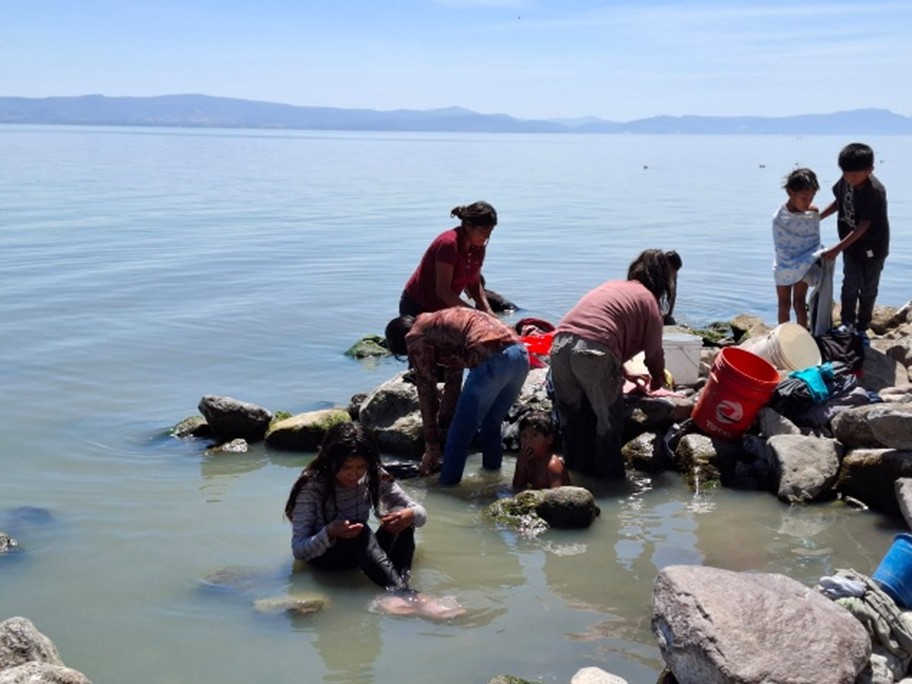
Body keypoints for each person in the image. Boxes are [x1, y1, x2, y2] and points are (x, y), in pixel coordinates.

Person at [549, 249, 679, 479]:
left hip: (560, 345)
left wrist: (623, 369)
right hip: (593, 353)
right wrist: (658, 381)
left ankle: (573, 477)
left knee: (573, 419)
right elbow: (654, 355)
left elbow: (594, 327)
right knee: (608, 422)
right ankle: (610, 488)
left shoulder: (612, 286)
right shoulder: (650, 303)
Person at [384, 307, 529, 485]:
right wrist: (443, 423)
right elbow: (453, 382)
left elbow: (426, 390)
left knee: (458, 437)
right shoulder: (441, 325)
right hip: (520, 355)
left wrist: (431, 446)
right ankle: (492, 480)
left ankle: (445, 492)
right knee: (491, 426)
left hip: (491, 360)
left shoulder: (415, 336)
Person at [284, 421, 426, 591]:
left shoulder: (373, 473)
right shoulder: (312, 485)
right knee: (359, 532)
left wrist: (410, 514)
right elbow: (299, 551)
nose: (354, 475)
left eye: (361, 467)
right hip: (328, 559)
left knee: (402, 515)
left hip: (364, 552)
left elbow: (420, 513)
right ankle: (403, 593)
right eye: (346, 467)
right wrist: (329, 532)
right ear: (330, 461)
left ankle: (401, 581)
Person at [819, 143, 889, 344]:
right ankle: (847, 322)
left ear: (870, 170)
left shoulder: (875, 192)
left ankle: (862, 327)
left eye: (855, 176)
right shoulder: (845, 180)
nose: (850, 179)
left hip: (873, 248)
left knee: (868, 288)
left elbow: (863, 226)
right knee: (849, 284)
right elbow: (838, 202)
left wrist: (837, 248)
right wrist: (818, 217)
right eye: (846, 174)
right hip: (851, 246)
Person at [399, 201, 498, 316]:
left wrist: (488, 311)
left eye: (490, 231)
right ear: (468, 225)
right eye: (483, 231)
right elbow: (443, 291)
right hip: (418, 305)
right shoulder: (449, 245)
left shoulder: (478, 247)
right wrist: (476, 314)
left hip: (445, 308)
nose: (487, 236)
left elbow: (474, 285)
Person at [771, 168, 825, 327]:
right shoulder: (780, 217)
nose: (808, 202)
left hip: (805, 261)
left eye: (811, 197)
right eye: (804, 198)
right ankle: (783, 337)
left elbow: (812, 239)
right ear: (790, 192)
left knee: (800, 302)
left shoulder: (812, 213)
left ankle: (802, 336)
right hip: (784, 263)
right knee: (783, 303)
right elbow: (781, 245)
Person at [512, 410, 571, 491]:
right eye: (524, 436)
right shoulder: (525, 461)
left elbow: (558, 498)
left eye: (535, 436)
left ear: (549, 439)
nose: (528, 441)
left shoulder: (552, 466)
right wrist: (520, 468)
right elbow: (517, 489)